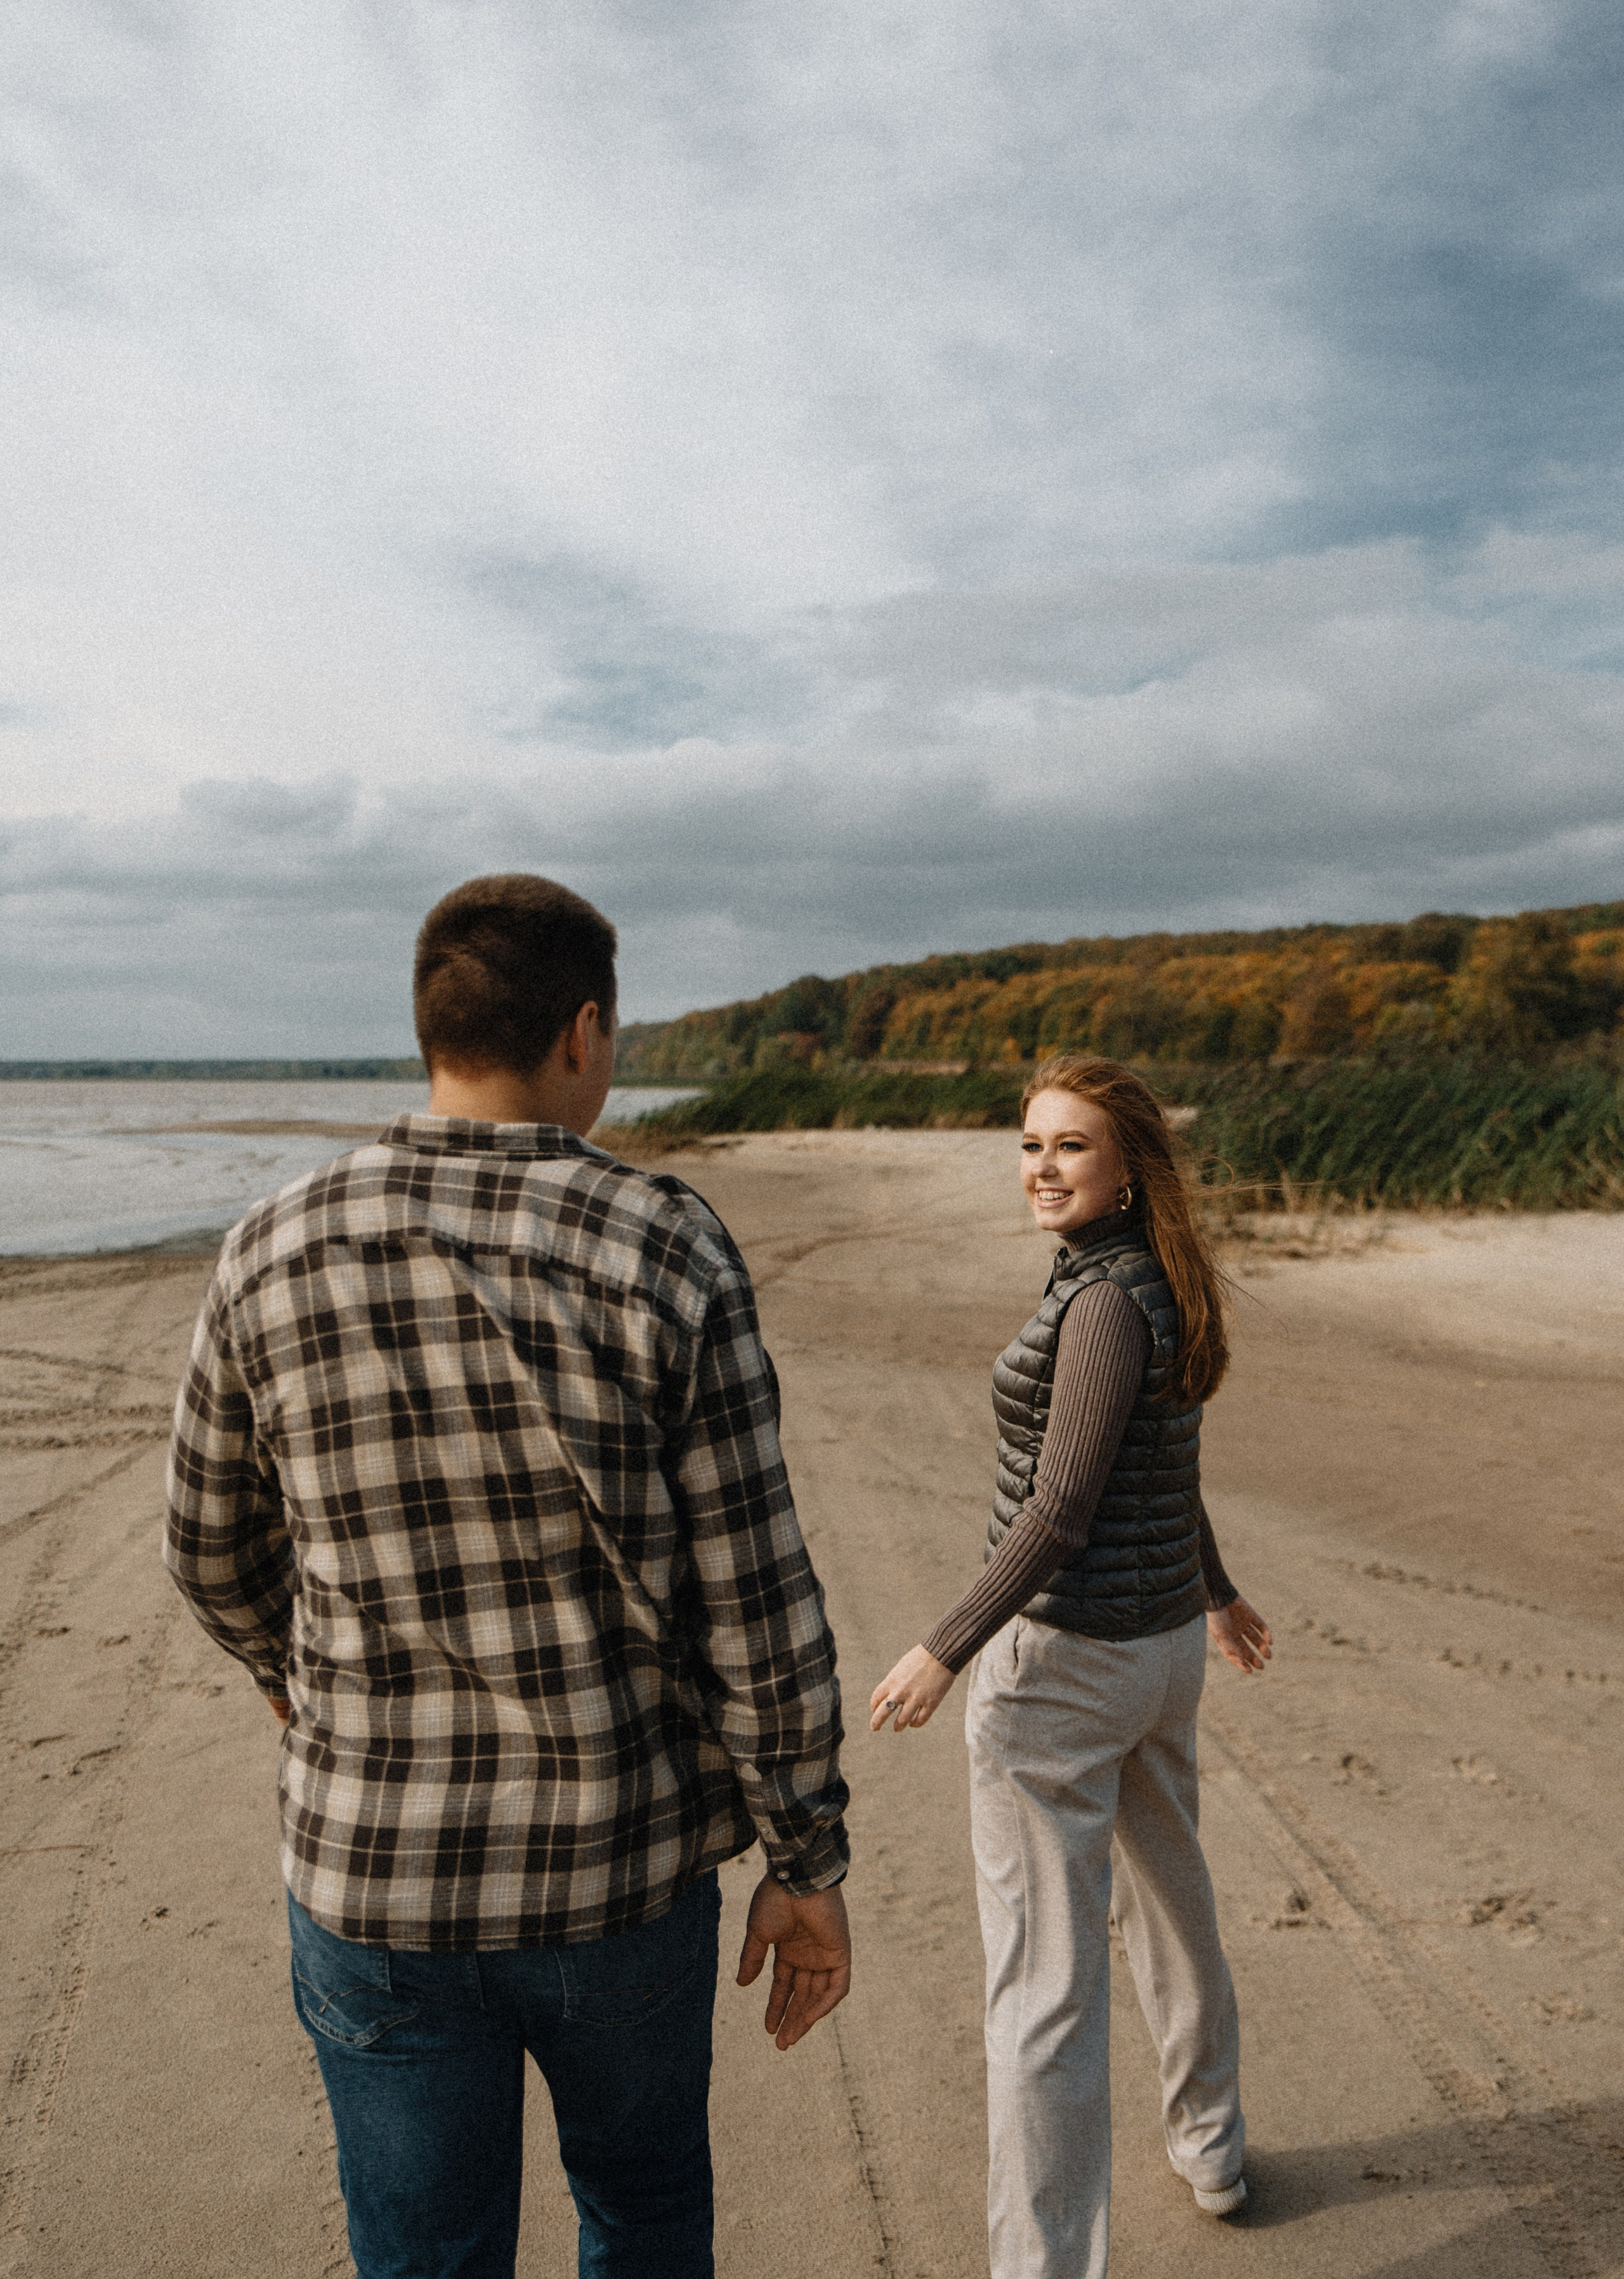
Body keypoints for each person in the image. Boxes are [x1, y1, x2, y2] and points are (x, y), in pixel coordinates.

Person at [163, 873, 851, 2279]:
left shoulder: (270, 1244)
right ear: (583, 1030)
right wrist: (805, 1852)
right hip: (619, 1870)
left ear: (430, 1028)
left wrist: (304, 1691)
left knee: (424, 2255)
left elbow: (207, 1549)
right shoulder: (663, 1241)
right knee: (643, 2215)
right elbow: (755, 1604)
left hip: (374, 1872)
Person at [871, 1052, 1271, 2279]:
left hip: (1068, 1668)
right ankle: (1211, 2146)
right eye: (1031, 1145)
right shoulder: (1160, 1281)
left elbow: (1059, 1511)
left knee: (1044, 1990)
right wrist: (1214, 1590)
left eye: (1070, 1147)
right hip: (1157, 1655)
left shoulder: (1101, 1303)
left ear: (1127, 1167)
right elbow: (1167, 1465)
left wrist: (945, 1646)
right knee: (1172, 1903)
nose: (1042, 1169)